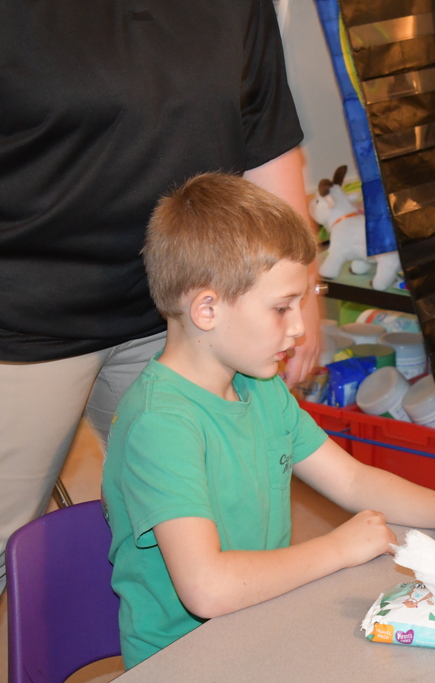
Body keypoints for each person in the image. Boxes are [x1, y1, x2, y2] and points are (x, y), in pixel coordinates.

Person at [102, 173, 435, 668]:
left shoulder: (259, 385)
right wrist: (337, 548)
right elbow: (207, 590)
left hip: (258, 626)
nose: (298, 328)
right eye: (282, 308)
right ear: (206, 309)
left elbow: (354, 479)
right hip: (184, 663)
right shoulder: (162, 424)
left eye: (303, 301)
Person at [0, 0, 320, 594]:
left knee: (219, 533)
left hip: (183, 312)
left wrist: (299, 292)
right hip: (22, 319)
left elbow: (265, 134)